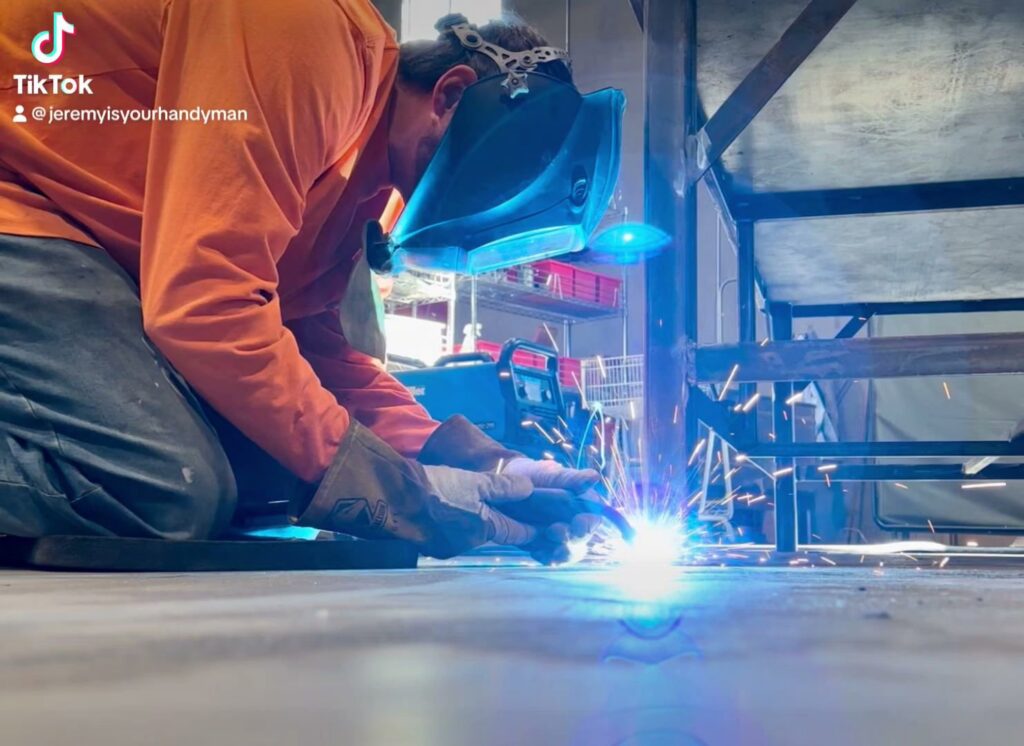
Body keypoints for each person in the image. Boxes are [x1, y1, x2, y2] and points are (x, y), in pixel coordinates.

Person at [0, 1, 605, 562]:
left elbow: (300, 341)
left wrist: (474, 459)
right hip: (18, 190)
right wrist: (399, 492)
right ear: (449, 95)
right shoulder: (309, 32)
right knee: (164, 486)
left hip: (75, 234)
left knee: (261, 475)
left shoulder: (364, 185)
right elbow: (205, 306)